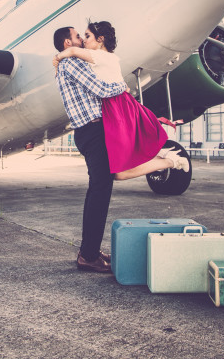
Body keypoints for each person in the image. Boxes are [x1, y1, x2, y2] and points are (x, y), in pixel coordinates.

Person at [53, 20, 189, 180]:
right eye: (81, 36)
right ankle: (169, 158)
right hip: (115, 106)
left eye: (87, 35)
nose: (83, 39)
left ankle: (170, 159)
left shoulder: (99, 55)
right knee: (119, 170)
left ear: (100, 39)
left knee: (120, 167)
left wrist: (58, 57)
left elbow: (72, 52)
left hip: (117, 106)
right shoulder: (99, 57)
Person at [53, 26, 127, 273]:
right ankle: (88, 255)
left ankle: (90, 250)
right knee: (99, 190)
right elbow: (103, 89)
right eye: (77, 37)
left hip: (92, 130)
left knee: (99, 189)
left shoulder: (70, 63)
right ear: (67, 43)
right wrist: (124, 87)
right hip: (93, 131)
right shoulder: (71, 64)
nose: (81, 42)